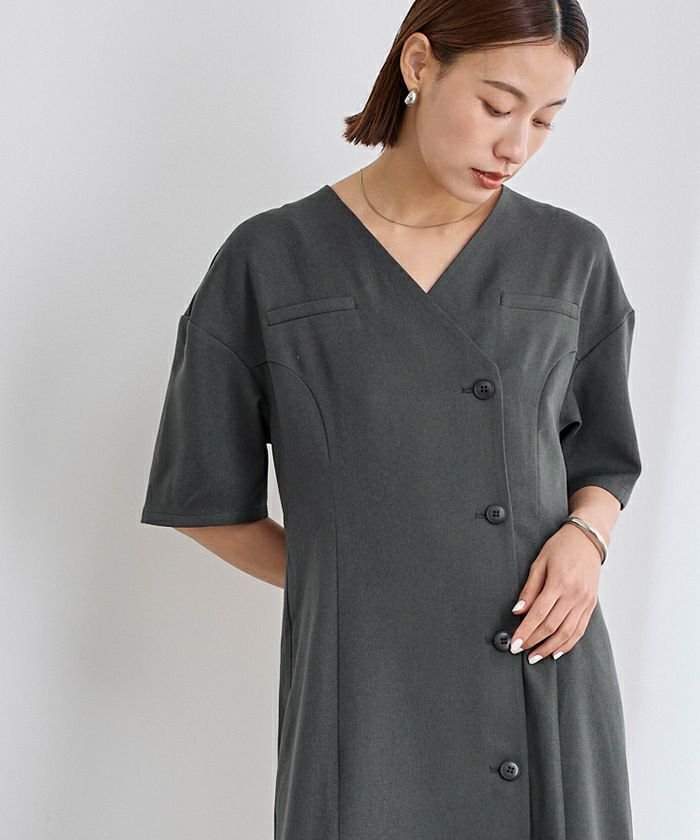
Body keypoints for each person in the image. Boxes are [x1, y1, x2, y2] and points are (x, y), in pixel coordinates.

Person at [140, 1, 643, 838]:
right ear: (418, 64)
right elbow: (205, 500)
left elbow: (605, 458)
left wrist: (587, 541)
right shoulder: (271, 258)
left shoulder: (571, 256)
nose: (516, 145)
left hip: (541, 664)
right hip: (367, 691)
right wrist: (362, 584)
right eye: (497, 105)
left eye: (545, 120)